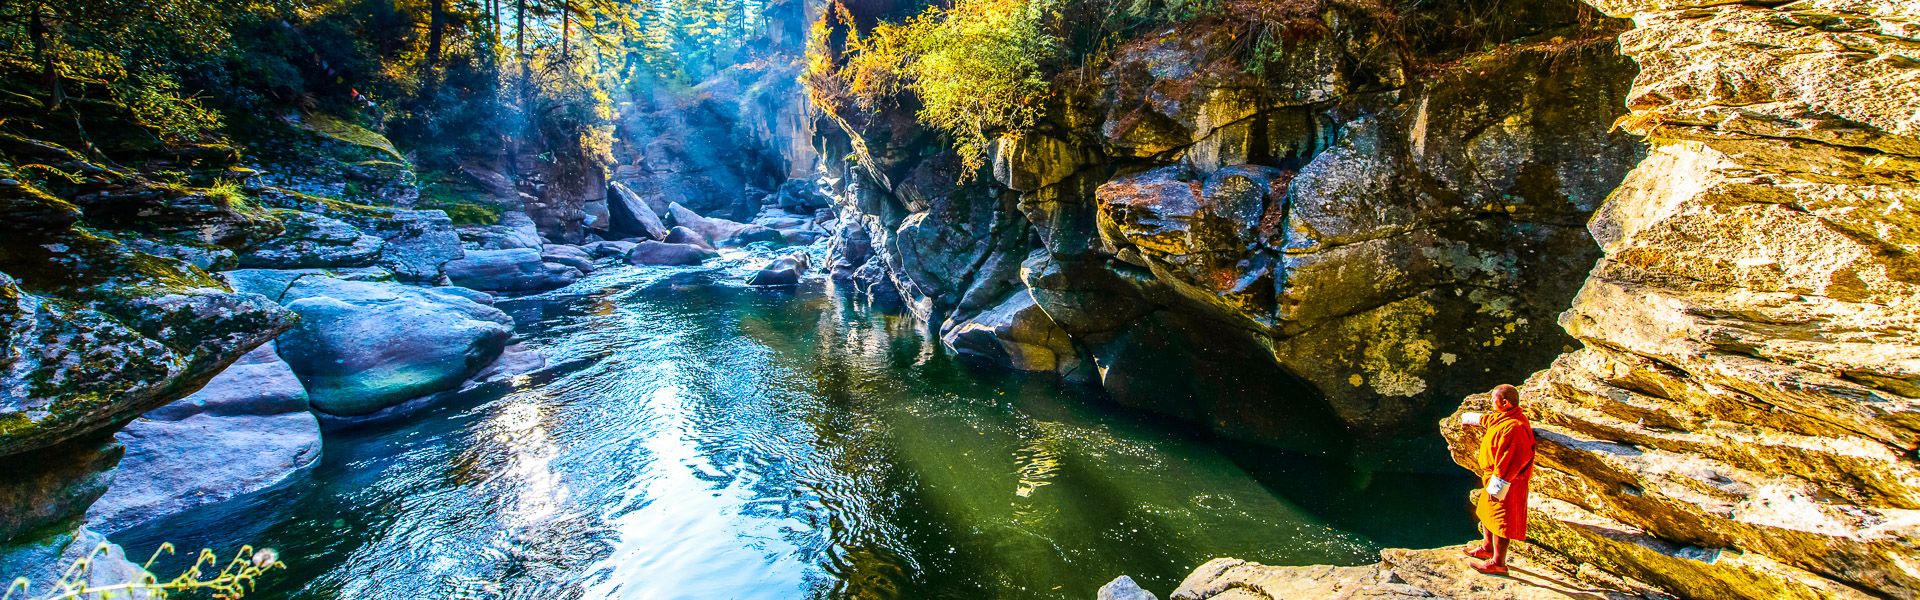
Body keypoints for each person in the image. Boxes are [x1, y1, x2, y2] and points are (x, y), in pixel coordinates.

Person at [1459, 383, 1536, 575]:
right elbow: (1486, 420)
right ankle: (1487, 548)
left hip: (1507, 482)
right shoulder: (1504, 418)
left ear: (1504, 402)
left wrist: (1498, 487)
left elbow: (1513, 460)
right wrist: (1467, 418)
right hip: (1492, 477)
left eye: (1493, 399)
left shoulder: (1515, 428)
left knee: (1502, 521)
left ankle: (1499, 563)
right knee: (1486, 513)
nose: (1490, 402)